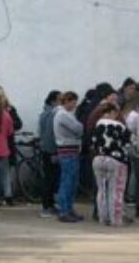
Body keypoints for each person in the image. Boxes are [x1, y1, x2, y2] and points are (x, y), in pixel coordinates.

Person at [91, 104, 132, 226]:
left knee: (101, 190)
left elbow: (93, 142)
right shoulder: (120, 126)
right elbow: (129, 142)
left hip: (98, 159)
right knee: (116, 190)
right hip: (116, 160)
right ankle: (116, 219)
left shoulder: (97, 125)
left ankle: (103, 218)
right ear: (113, 112)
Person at [52, 92, 85, 221]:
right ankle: (64, 210)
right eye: (73, 102)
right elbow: (78, 129)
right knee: (67, 181)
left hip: (69, 150)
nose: (75, 105)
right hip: (68, 151)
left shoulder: (64, 114)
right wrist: (80, 127)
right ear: (67, 101)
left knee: (71, 181)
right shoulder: (63, 115)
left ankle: (68, 209)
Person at [37, 91, 62, 219]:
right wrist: (55, 150)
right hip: (52, 150)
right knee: (51, 179)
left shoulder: (43, 114)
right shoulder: (54, 114)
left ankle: (48, 205)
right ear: (53, 101)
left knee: (48, 178)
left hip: (45, 149)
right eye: (60, 99)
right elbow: (51, 134)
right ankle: (48, 206)